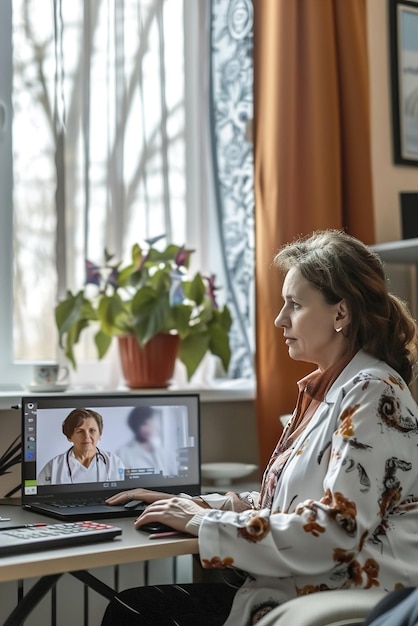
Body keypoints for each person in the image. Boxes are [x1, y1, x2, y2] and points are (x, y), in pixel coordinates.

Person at [102, 230, 418, 626]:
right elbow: (287, 504)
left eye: (295, 305)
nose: (279, 319)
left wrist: (200, 522)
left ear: (341, 313)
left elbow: (337, 529)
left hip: (335, 603)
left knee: (136, 612)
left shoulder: (373, 393)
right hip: (299, 590)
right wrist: (194, 504)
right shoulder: (335, 388)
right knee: (136, 607)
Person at [37, 408, 125, 484]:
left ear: (99, 435)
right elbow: (38, 496)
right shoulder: (54, 467)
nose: (87, 436)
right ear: (69, 437)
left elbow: (126, 492)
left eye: (92, 430)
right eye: (80, 431)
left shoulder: (113, 461)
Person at [116, 406, 178, 475]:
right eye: (145, 423)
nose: (150, 427)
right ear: (136, 426)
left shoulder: (163, 453)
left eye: (152, 422)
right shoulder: (122, 453)